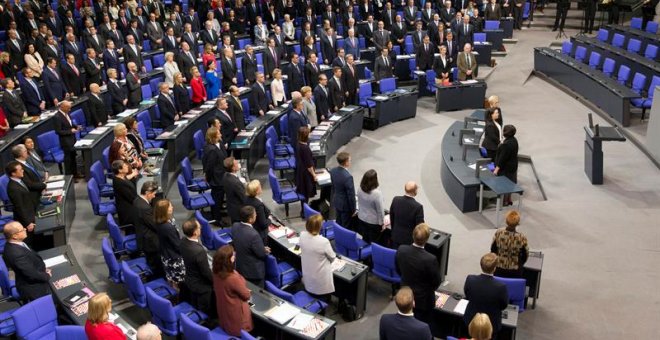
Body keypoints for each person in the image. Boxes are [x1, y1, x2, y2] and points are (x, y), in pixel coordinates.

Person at [395, 223, 441, 324]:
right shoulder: (431, 259)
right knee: (422, 325)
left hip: (404, 294)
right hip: (423, 301)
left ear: (413, 235)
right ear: (427, 239)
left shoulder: (401, 249)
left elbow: (398, 270)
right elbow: (436, 282)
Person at [2, 221, 51, 302]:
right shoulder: (16, 254)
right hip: (34, 290)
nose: (25, 229)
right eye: (22, 230)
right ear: (14, 236)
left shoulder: (15, 243)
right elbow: (32, 275)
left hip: (35, 274)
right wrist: (47, 275)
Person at [463, 253, 509, 337]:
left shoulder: (470, 279)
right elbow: (503, 305)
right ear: (495, 268)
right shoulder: (501, 287)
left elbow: (467, 296)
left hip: (471, 320)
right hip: (491, 324)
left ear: (481, 265)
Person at [212, 245, 254, 336]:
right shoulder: (233, 278)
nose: (234, 256)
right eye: (233, 255)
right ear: (229, 260)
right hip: (236, 316)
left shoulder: (216, 272)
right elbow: (247, 295)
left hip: (224, 312)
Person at [180, 219, 215, 315]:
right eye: (199, 227)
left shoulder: (183, 241)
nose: (201, 228)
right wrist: (215, 281)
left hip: (190, 280)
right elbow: (205, 272)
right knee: (204, 311)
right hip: (202, 287)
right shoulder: (199, 251)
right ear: (195, 232)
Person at [230, 206, 270, 288]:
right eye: (255, 214)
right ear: (250, 219)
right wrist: (264, 250)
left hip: (240, 267)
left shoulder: (235, 226)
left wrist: (260, 248)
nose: (256, 215)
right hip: (254, 273)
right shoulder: (253, 234)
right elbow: (261, 254)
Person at [299, 214, 336, 300]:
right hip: (320, 281)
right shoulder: (324, 241)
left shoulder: (302, 235)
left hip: (308, 276)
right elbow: (332, 257)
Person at [155, 199, 185, 287]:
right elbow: (177, 245)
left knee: (172, 279)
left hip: (166, 255)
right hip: (174, 258)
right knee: (179, 282)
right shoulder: (167, 227)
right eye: (170, 206)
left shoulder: (160, 221)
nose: (172, 207)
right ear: (165, 210)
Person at [133, 181, 162, 276]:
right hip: (149, 242)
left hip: (141, 234)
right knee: (155, 265)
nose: (154, 197)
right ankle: (156, 281)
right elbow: (155, 225)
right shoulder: (145, 208)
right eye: (153, 194)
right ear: (147, 193)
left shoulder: (137, 200)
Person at [491, 210, 529, 278]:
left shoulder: (499, 233)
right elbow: (525, 255)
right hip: (515, 271)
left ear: (506, 221)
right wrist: (520, 264)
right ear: (518, 223)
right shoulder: (521, 237)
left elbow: (493, 249)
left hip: (499, 268)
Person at [202, 126, 227, 223]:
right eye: (218, 133)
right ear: (214, 136)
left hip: (221, 175)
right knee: (217, 199)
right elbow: (209, 167)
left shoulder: (219, 144)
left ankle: (218, 212)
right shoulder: (211, 149)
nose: (220, 134)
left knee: (219, 198)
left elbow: (224, 156)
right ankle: (217, 219)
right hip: (216, 179)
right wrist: (208, 179)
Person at [389, 181, 425, 249]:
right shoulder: (418, 207)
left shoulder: (395, 199)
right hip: (408, 242)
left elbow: (392, 217)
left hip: (395, 237)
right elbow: (420, 227)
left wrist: (394, 231)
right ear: (415, 191)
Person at [356, 169, 386, 243]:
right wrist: (382, 223)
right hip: (373, 223)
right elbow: (380, 210)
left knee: (365, 239)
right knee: (374, 242)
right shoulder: (377, 194)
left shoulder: (360, 189)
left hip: (361, 218)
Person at [329, 152, 356, 229]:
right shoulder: (348, 177)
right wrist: (353, 209)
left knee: (338, 223)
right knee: (345, 227)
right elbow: (351, 195)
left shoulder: (333, 171)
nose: (350, 162)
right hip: (345, 207)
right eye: (350, 160)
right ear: (346, 162)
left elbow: (334, 187)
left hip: (337, 201)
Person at [54, 101, 81, 176]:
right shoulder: (57, 117)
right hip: (65, 141)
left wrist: (76, 126)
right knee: (68, 160)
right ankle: (69, 176)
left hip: (72, 139)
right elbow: (58, 131)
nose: (70, 109)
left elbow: (70, 123)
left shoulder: (67, 113)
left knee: (73, 157)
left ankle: (75, 174)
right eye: (68, 108)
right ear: (62, 107)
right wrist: (70, 131)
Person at [494, 125, 519, 206]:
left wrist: (496, 169)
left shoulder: (506, 145)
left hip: (506, 169)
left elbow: (502, 159)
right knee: (510, 184)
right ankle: (509, 199)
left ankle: (504, 201)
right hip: (513, 167)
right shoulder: (514, 140)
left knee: (504, 184)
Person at [111, 160, 138, 226]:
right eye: (124, 166)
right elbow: (133, 199)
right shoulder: (121, 184)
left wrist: (133, 174)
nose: (127, 166)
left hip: (129, 206)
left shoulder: (119, 177)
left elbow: (128, 180)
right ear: (120, 170)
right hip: (128, 214)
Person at [295, 126, 316, 204]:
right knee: (305, 193)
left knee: (304, 192)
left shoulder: (298, 143)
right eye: (309, 133)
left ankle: (304, 209)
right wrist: (314, 175)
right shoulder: (305, 148)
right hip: (305, 174)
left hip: (301, 170)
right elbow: (309, 166)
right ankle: (304, 212)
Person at [222, 157, 246, 223]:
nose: (238, 164)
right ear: (233, 168)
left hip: (231, 207)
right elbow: (244, 198)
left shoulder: (225, 175)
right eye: (236, 163)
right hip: (239, 211)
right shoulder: (236, 183)